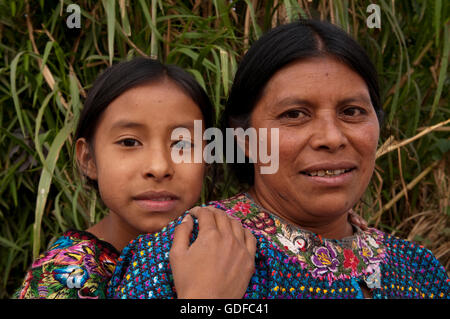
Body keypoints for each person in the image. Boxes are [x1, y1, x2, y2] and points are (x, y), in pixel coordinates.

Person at [107, 20, 449, 299]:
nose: (331, 137)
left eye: (352, 111)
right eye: (295, 114)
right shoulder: (187, 251)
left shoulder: (417, 268)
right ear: (243, 139)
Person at [15, 57, 257, 299]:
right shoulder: (64, 277)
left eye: (182, 143)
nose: (159, 167)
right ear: (88, 159)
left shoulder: (230, 251)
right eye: (129, 142)